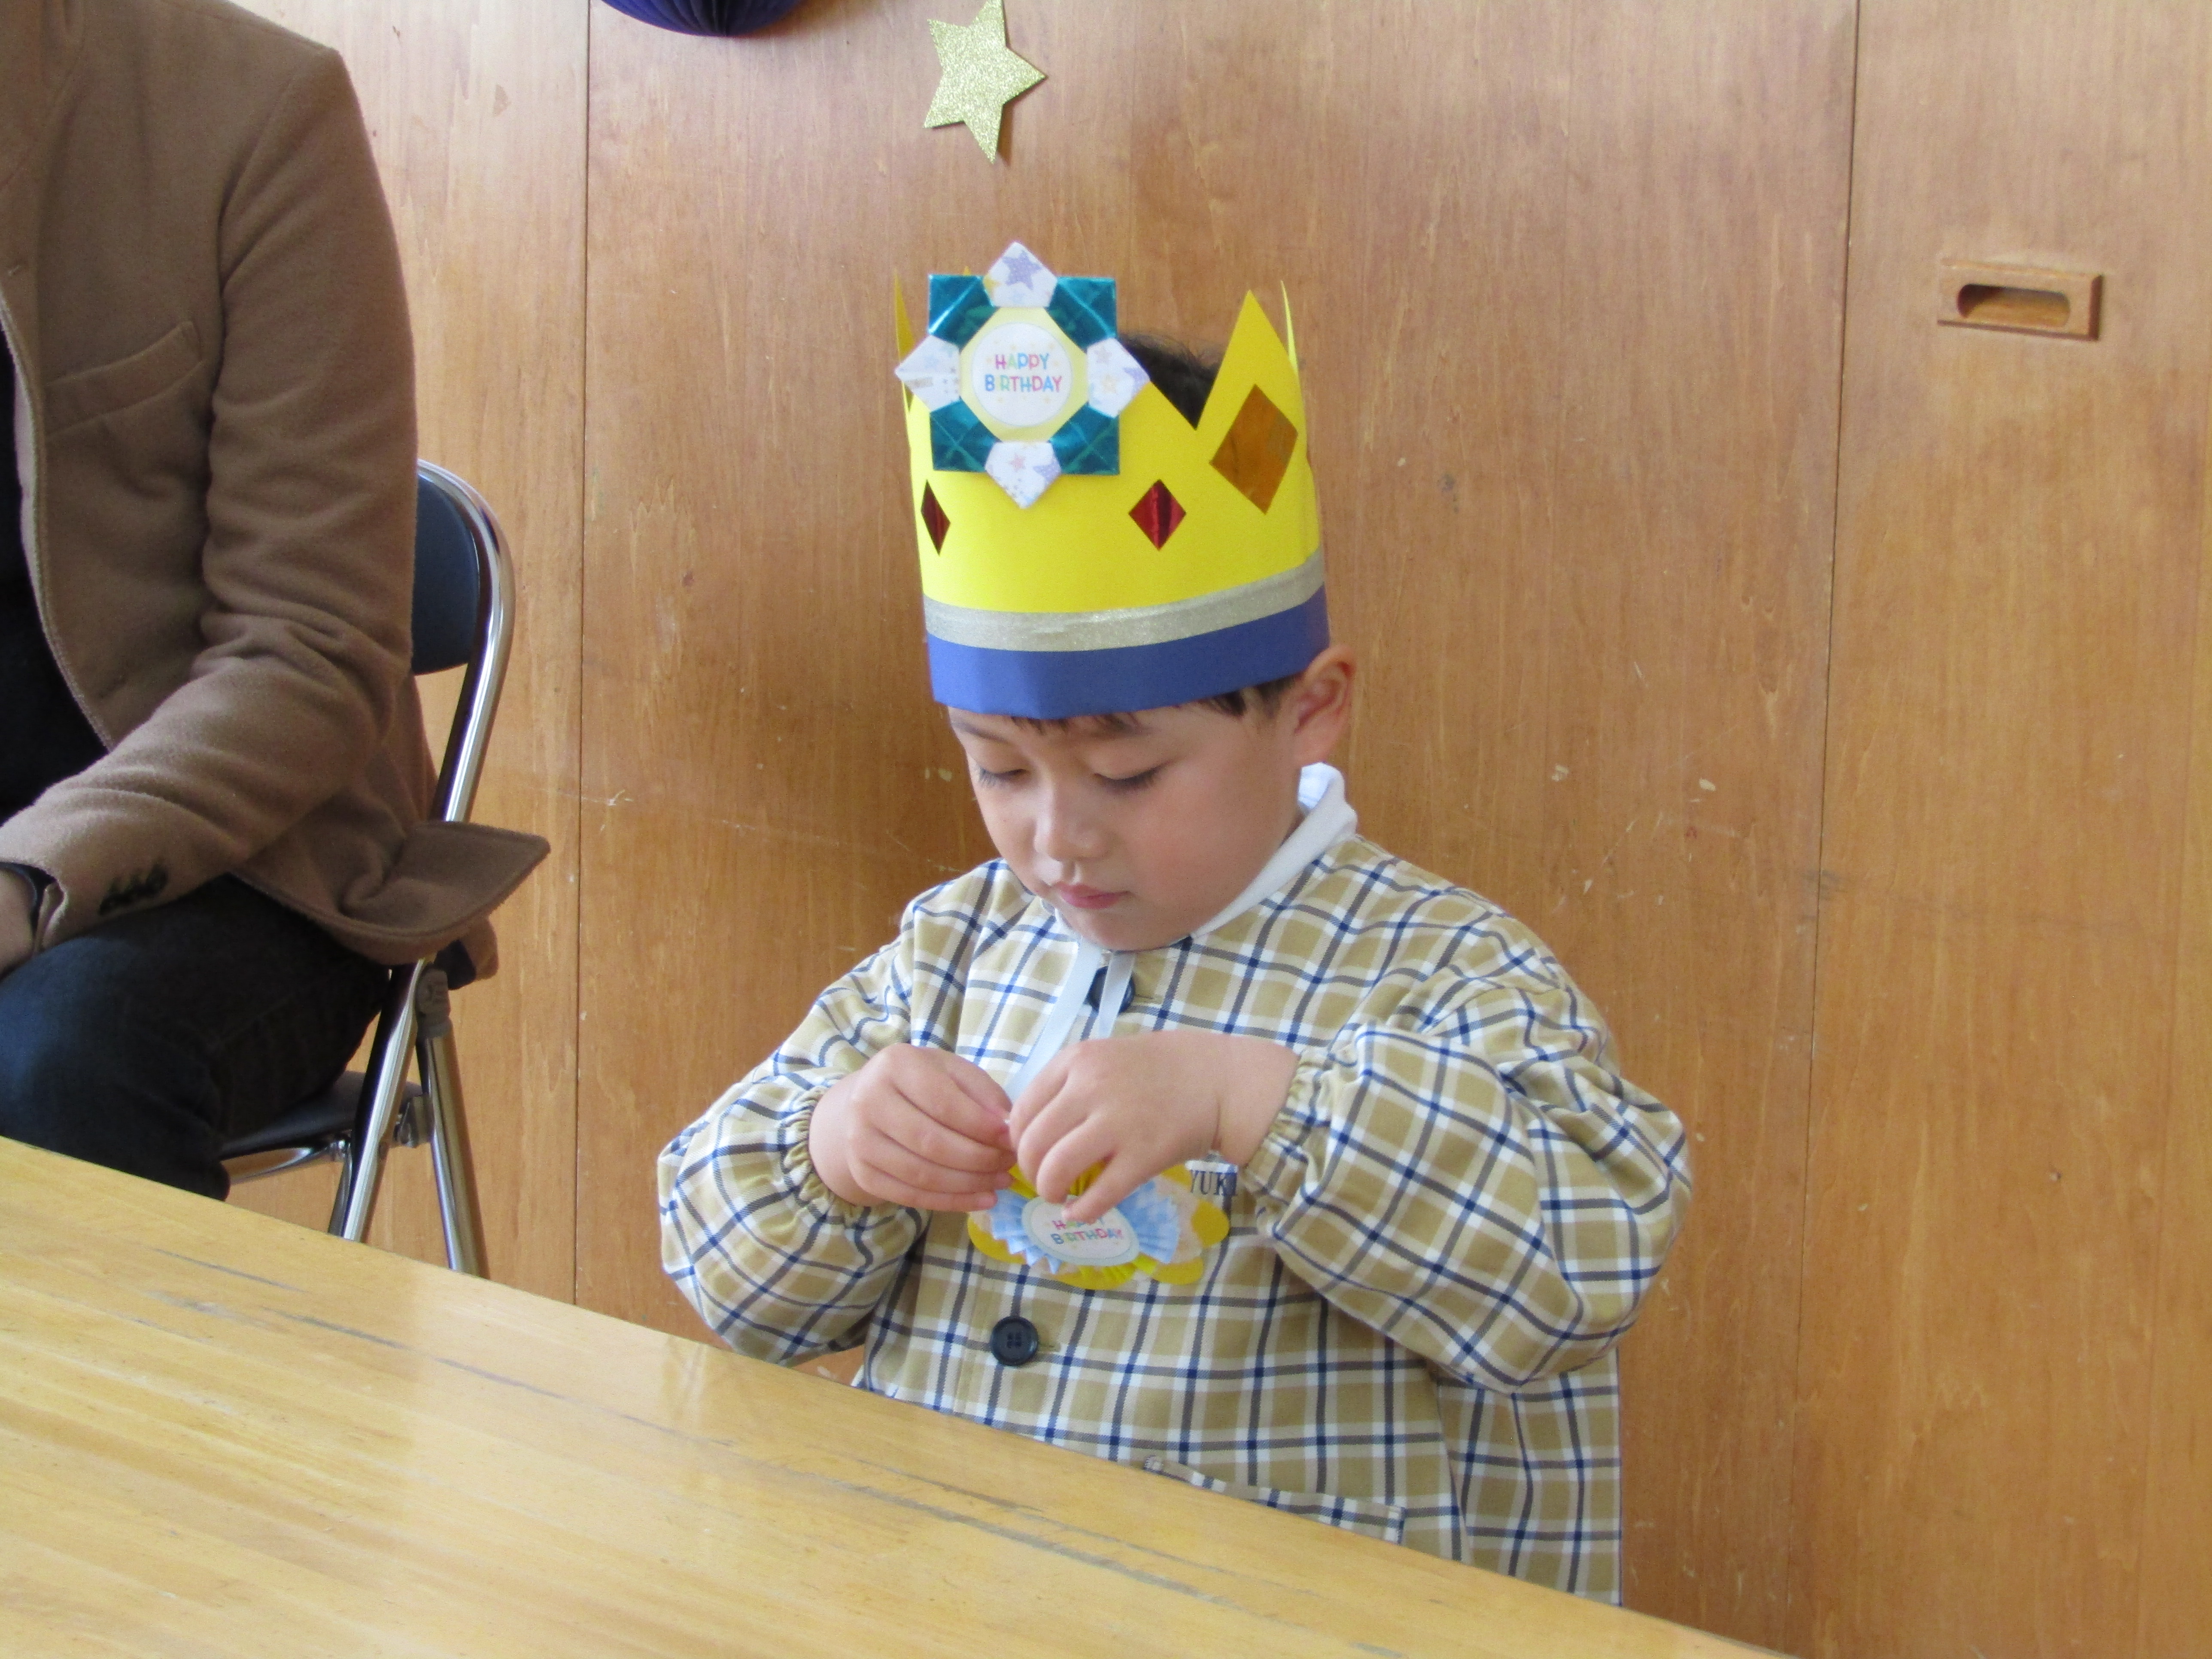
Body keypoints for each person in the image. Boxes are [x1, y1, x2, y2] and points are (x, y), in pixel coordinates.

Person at [658, 243, 1689, 1599]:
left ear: (1310, 709)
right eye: (1000, 769)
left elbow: (1578, 1268)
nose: (1058, 836)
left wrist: (1254, 1103)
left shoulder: (1448, 972)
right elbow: (729, 1287)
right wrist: (835, 1151)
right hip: (957, 1602)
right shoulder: (951, 951)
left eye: (1130, 775)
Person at [0, 0, 546, 1199]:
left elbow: (309, 650)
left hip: (241, 859)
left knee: (59, 1063)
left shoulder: (254, 108)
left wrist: (28, 877)